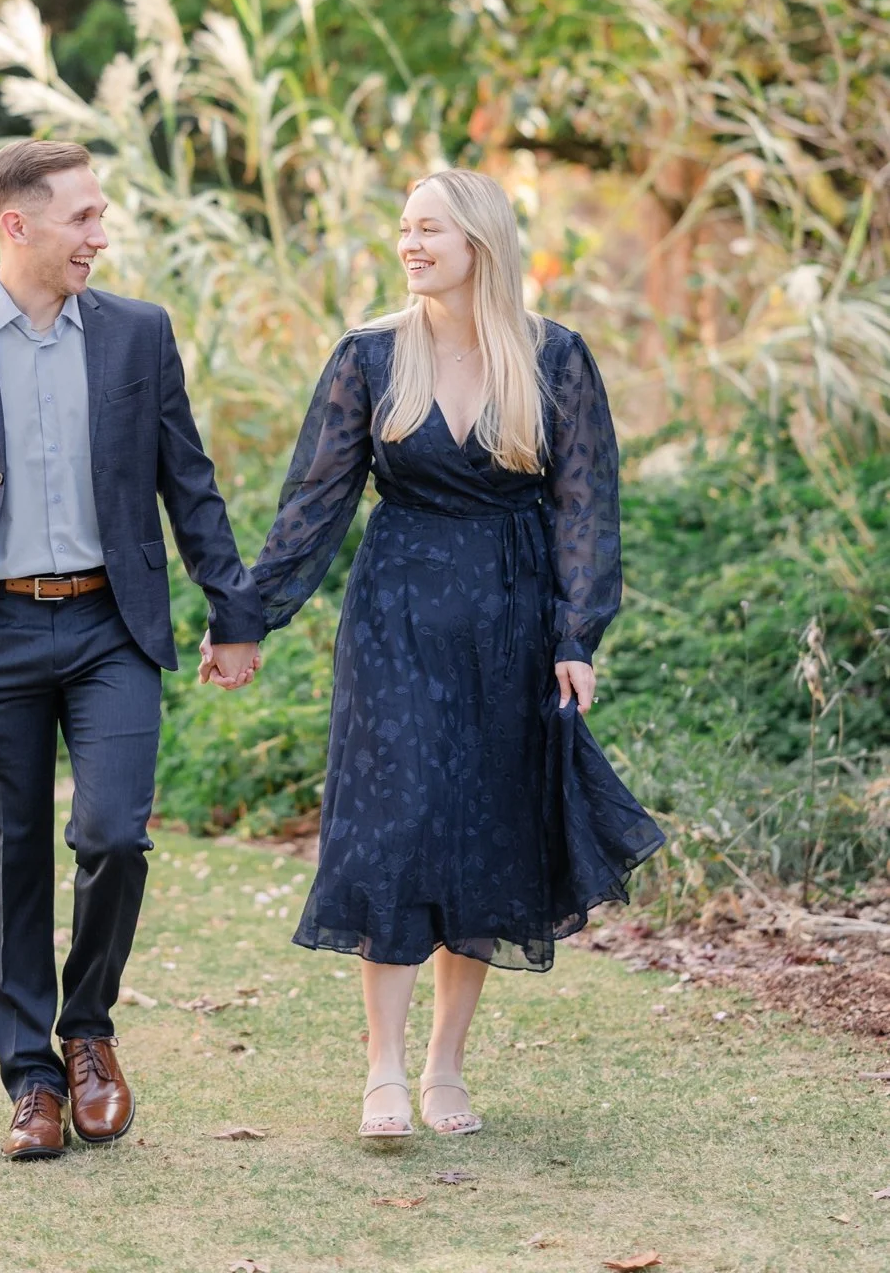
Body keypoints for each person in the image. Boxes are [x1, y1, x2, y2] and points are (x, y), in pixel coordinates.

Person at [231, 168, 663, 1140]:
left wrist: (576, 634)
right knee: (391, 823)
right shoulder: (370, 356)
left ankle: (443, 1066)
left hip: (510, 623)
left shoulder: (552, 358)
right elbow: (312, 504)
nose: (409, 243)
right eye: (403, 228)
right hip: (395, 618)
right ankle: (380, 1064)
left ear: (479, 238)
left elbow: (586, 505)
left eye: (428, 227)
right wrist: (249, 616)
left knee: (479, 831)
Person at [0, 139, 262, 1161]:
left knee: (113, 833)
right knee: (9, 860)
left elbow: (190, 480)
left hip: (110, 627)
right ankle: (32, 1081)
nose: (101, 233)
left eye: (101, 213)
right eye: (83, 216)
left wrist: (233, 608)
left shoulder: (138, 334)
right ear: (17, 224)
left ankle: (87, 1029)